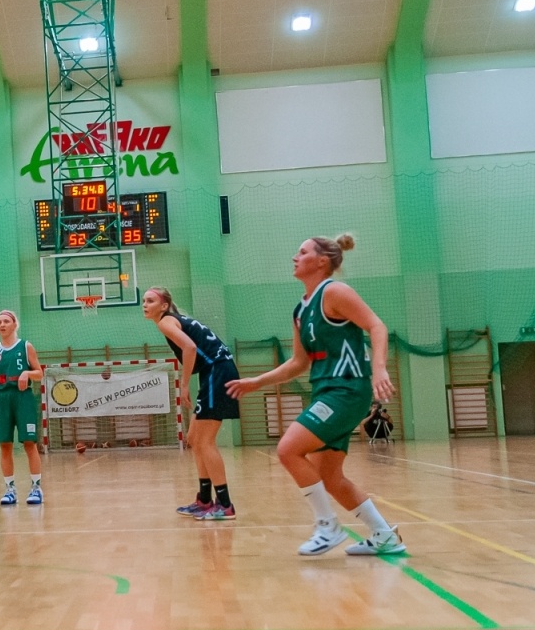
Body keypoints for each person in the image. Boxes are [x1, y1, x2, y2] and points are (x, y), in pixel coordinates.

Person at [226, 234, 405, 556]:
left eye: (302, 252)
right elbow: (299, 362)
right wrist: (257, 381)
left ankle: (328, 526)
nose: (295, 257)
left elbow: (376, 326)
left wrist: (380, 369)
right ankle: (384, 535)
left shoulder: (334, 292)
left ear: (322, 261)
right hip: (326, 391)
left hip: (347, 389)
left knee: (288, 449)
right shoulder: (301, 309)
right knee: (329, 477)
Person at [142, 287, 241, 521]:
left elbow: (190, 347)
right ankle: (204, 500)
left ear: (164, 306)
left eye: (150, 301)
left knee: (205, 441)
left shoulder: (166, 322)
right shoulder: (173, 320)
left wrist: (184, 384)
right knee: (195, 439)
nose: (145, 305)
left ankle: (225, 505)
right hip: (215, 372)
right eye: (144, 301)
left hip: (218, 372)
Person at [0, 310, 44, 506]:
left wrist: (27, 373)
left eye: (6, 321)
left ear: (14, 324)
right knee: (5, 444)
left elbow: (39, 373)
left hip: (22, 397)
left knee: (29, 443)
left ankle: (36, 487)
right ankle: (10, 489)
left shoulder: (25, 346)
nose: (2, 325)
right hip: (1, 398)